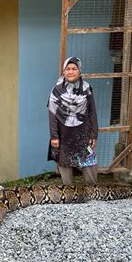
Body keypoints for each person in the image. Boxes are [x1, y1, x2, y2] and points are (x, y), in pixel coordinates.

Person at [47, 56, 98, 185]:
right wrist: (54, 136)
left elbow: (92, 112)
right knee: (64, 162)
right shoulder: (56, 91)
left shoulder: (87, 89)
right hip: (63, 133)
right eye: (67, 69)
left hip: (83, 132)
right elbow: (52, 114)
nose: (70, 72)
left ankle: (93, 192)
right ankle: (68, 192)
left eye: (74, 69)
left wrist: (94, 134)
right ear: (63, 72)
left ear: (79, 71)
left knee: (88, 161)